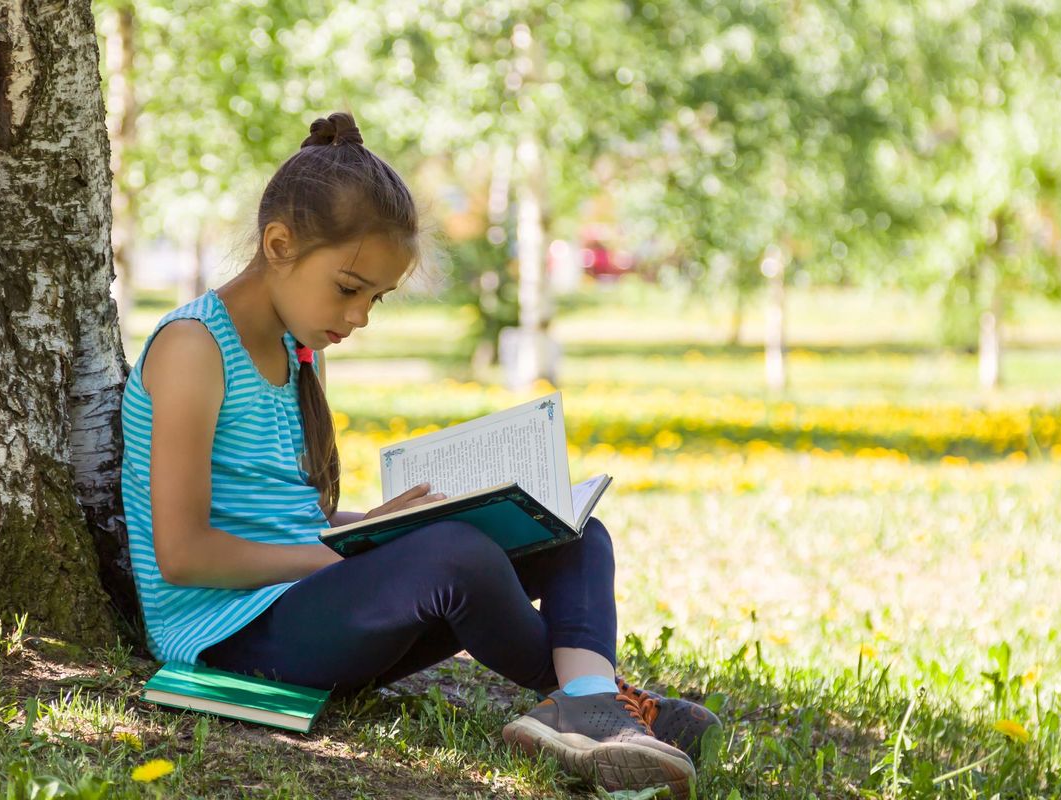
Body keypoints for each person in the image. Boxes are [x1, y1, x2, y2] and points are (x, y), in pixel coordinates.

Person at [120, 112, 719, 796]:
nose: (359, 318)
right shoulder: (193, 348)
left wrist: (373, 527)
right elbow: (185, 554)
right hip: (231, 641)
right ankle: (602, 703)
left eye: (377, 298)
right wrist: (357, 554)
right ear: (279, 245)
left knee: (571, 530)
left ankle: (589, 699)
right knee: (453, 555)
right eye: (349, 289)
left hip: (308, 608)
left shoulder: (294, 350)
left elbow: (278, 521)